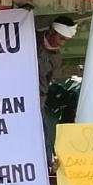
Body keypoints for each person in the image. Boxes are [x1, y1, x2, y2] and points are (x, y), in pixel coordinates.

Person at [37, 15, 77, 159]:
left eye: (65, 40)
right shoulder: (29, 39)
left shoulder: (56, 58)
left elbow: (47, 81)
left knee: (44, 135)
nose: (62, 43)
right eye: (61, 38)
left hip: (37, 100)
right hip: (14, 96)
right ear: (51, 31)